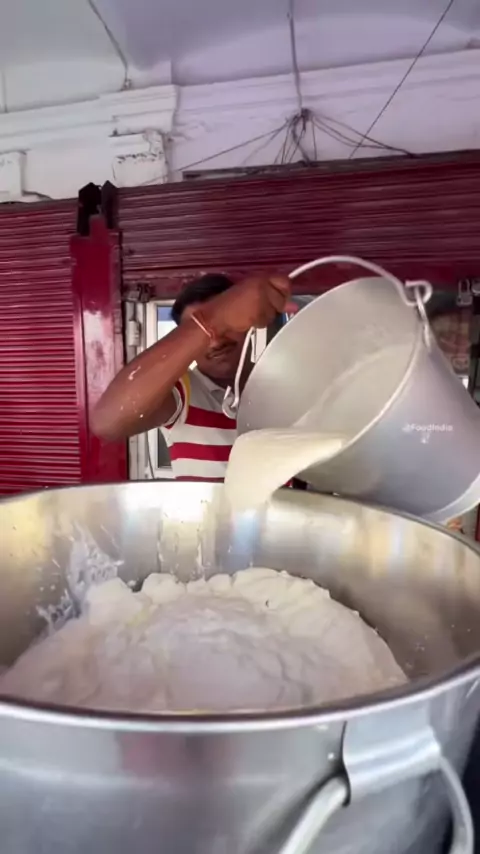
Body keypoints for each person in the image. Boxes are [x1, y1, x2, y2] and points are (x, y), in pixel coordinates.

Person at [92, 272, 291, 481]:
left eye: (227, 326)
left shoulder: (282, 386)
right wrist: (215, 318)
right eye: (202, 335)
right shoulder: (183, 391)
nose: (216, 342)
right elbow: (107, 422)